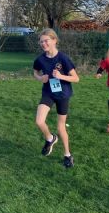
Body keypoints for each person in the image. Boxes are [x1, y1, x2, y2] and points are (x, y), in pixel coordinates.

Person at [33, 28, 79, 168]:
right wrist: (40, 78)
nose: (43, 44)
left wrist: (61, 76)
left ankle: (67, 155)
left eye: (46, 41)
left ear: (54, 40)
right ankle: (50, 138)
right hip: (48, 93)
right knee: (39, 121)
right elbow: (35, 72)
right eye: (41, 42)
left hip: (63, 95)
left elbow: (76, 78)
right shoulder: (40, 59)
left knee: (60, 127)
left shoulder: (63, 58)